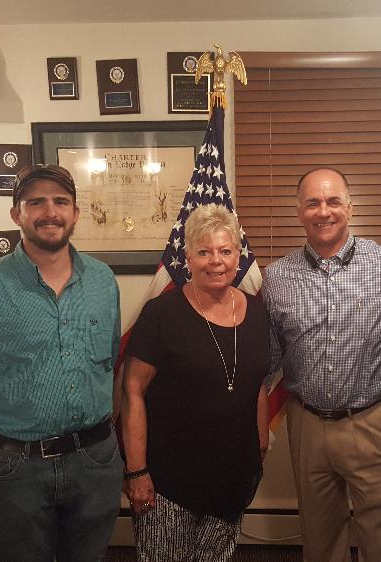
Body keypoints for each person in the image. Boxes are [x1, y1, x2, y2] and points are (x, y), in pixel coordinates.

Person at [0, 164, 123, 562]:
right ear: (16, 214)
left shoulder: (102, 281)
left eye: (61, 201)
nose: (50, 211)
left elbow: (109, 359)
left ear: (76, 212)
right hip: (16, 467)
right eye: (35, 202)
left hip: (94, 460)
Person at [262, 168, 381, 562]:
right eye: (312, 202)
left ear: (350, 206)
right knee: (320, 538)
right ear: (299, 211)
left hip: (372, 420)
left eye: (332, 201)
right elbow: (268, 359)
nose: (323, 211)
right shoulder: (276, 277)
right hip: (307, 425)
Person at [121, 203, 270, 562]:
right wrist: (136, 471)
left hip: (232, 475)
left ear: (238, 255)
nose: (215, 261)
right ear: (188, 257)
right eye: (203, 252)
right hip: (169, 481)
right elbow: (132, 391)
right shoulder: (162, 313)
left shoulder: (257, 312)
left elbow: (257, 385)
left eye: (224, 250)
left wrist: (260, 451)